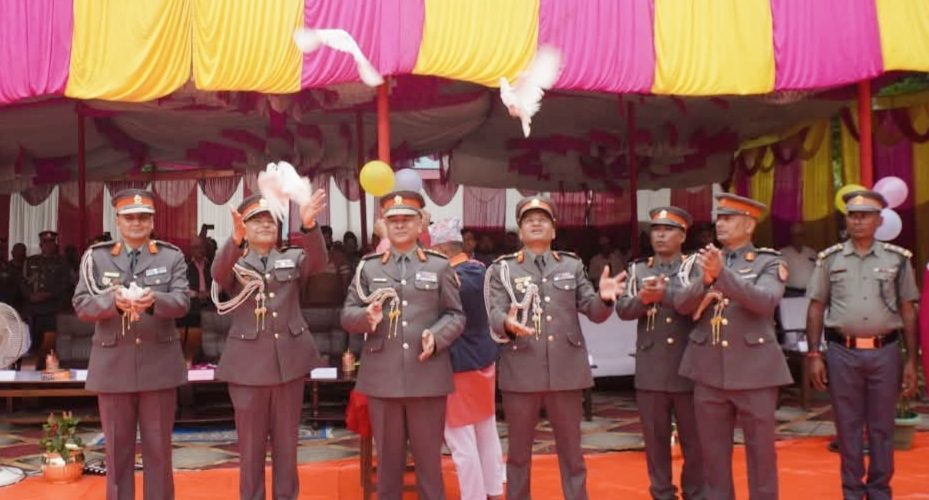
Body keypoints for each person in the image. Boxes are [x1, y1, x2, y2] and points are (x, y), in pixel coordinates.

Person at [486, 195, 626, 500]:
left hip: (566, 370)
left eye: (543, 219)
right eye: (529, 220)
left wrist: (605, 298)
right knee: (518, 453)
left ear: (553, 230)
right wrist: (506, 323)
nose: (536, 223)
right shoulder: (503, 269)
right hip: (521, 369)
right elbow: (494, 312)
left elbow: (593, 311)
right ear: (520, 231)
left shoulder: (572, 265)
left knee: (572, 452)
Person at [341, 191, 465, 500]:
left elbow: (456, 315)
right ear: (384, 224)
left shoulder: (439, 265)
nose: (399, 225)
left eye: (406, 219)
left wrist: (436, 336)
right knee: (388, 465)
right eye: (392, 219)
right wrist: (365, 318)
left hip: (427, 375)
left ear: (420, 223)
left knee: (429, 465)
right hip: (383, 379)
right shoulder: (368, 267)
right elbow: (347, 314)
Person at [73, 189, 190, 500]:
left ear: (152, 221)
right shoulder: (96, 257)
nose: (136, 222)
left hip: (158, 366)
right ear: (118, 221)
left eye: (143, 217)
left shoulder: (171, 256)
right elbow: (81, 305)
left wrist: (155, 300)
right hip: (114, 367)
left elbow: (182, 302)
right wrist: (111, 303)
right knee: (116, 452)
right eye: (130, 217)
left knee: (159, 451)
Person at [211, 190, 328, 500]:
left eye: (270, 220)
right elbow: (218, 274)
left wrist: (309, 226)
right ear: (244, 227)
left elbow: (318, 262)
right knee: (250, 449)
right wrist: (234, 241)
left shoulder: (292, 258)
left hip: (288, 365)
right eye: (256, 220)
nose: (265, 225)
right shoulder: (235, 261)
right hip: (247, 368)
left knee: (287, 447)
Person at [674, 193, 792, 500]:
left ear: (749, 225)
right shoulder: (702, 261)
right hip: (709, 369)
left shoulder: (769, 261)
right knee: (712, 456)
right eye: (719, 218)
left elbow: (765, 301)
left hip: (755, 371)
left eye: (728, 219)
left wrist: (722, 275)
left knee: (761, 454)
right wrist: (705, 280)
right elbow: (681, 305)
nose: (720, 224)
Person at [805, 190, 919, 500]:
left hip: (885, 352)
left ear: (879, 221)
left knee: (882, 427)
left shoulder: (897, 259)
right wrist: (814, 354)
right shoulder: (830, 259)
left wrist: (911, 360)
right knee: (848, 426)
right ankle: (852, 492)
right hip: (843, 353)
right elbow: (816, 306)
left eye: (865, 215)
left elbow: (908, 309)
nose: (857, 221)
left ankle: (880, 490)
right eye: (852, 216)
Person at [616, 207, 704, 500]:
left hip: (689, 365)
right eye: (656, 230)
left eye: (668, 230)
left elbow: (695, 305)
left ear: (682, 236)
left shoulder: (695, 269)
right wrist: (643, 299)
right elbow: (623, 310)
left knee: (695, 441)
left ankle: (695, 492)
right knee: (655, 440)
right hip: (651, 367)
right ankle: (662, 493)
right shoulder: (639, 269)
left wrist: (665, 296)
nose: (661, 235)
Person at [428, 217, 504, 500]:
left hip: (459, 364)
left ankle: (473, 495)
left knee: (460, 439)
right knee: (486, 430)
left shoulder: (453, 278)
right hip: (485, 359)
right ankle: (493, 490)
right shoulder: (481, 270)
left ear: (442, 250)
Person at [21, 231, 72, 355]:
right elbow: (22, 282)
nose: (48, 245)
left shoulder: (62, 262)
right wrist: (30, 296)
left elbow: (66, 284)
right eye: (45, 242)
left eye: (51, 242)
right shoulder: (31, 261)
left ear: (55, 244)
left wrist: (49, 295)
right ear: (40, 245)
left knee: (50, 346)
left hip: (52, 309)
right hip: (34, 310)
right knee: (33, 345)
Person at [778, 222, 817, 296]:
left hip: (810, 292)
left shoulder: (812, 253)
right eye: (794, 235)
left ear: (804, 236)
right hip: (790, 293)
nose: (797, 238)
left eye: (800, 235)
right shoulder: (782, 253)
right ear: (791, 237)